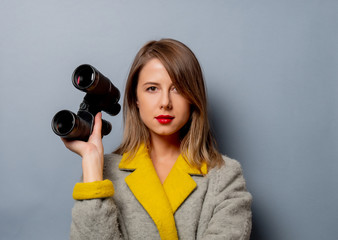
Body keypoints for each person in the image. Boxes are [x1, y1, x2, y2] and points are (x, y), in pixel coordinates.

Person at [62, 39, 252, 240]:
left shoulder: (225, 177)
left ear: (193, 98)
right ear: (135, 98)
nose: (165, 103)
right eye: (152, 88)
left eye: (177, 88)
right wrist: (91, 162)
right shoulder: (100, 174)